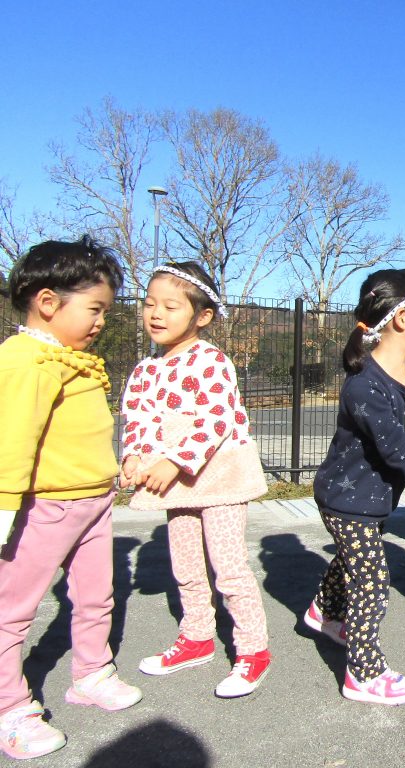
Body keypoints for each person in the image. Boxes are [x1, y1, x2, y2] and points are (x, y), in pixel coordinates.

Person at [0, 237, 142, 760]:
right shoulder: (25, 361)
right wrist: (3, 509)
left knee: (97, 595)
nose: (102, 321)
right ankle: (9, 707)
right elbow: (11, 442)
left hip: (93, 503)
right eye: (95, 309)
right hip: (44, 506)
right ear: (47, 302)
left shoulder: (70, 358)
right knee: (11, 610)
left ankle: (91, 672)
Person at [305, 268, 405, 705]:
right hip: (345, 498)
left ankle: (325, 610)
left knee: (356, 557)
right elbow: (398, 446)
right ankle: (364, 671)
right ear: (402, 319)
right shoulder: (364, 385)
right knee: (372, 580)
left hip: (375, 499)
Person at [123, 262, 271, 698]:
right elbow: (137, 419)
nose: (156, 313)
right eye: (149, 303)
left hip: (220, 478)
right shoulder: (145, 369)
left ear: (202, 316)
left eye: (170, 306)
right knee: (185, 566)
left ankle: (253, 650)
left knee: (229, 567)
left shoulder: (211, 361)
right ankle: (197, 637)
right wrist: (133, 457)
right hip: (178, 485)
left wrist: (174, 461)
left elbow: (216, 418)